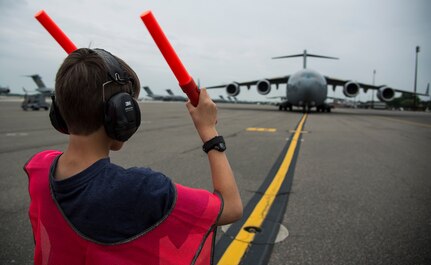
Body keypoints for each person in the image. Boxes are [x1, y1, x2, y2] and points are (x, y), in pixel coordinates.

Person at [24, 48, 242, 265]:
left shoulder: (39, 167)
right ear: (123, 114)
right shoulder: (142, 189)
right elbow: (231, 207)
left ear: (59, 111)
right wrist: (208, 130)